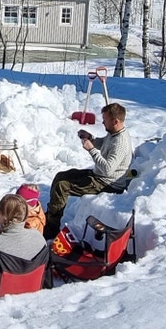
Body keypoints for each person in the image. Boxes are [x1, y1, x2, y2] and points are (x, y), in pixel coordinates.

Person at [43, 101, 132, 241]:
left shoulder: (120, 142)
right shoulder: (114, 133)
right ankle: (50, 216)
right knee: (61, 176)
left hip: (108, 183)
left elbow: (108, 169)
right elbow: (104, 143)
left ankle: (51, 228)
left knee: (63, 186)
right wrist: (91, 138)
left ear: (115, 121)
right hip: (99, 176)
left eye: (105, 120)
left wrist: (91, 149)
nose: (102, 122)